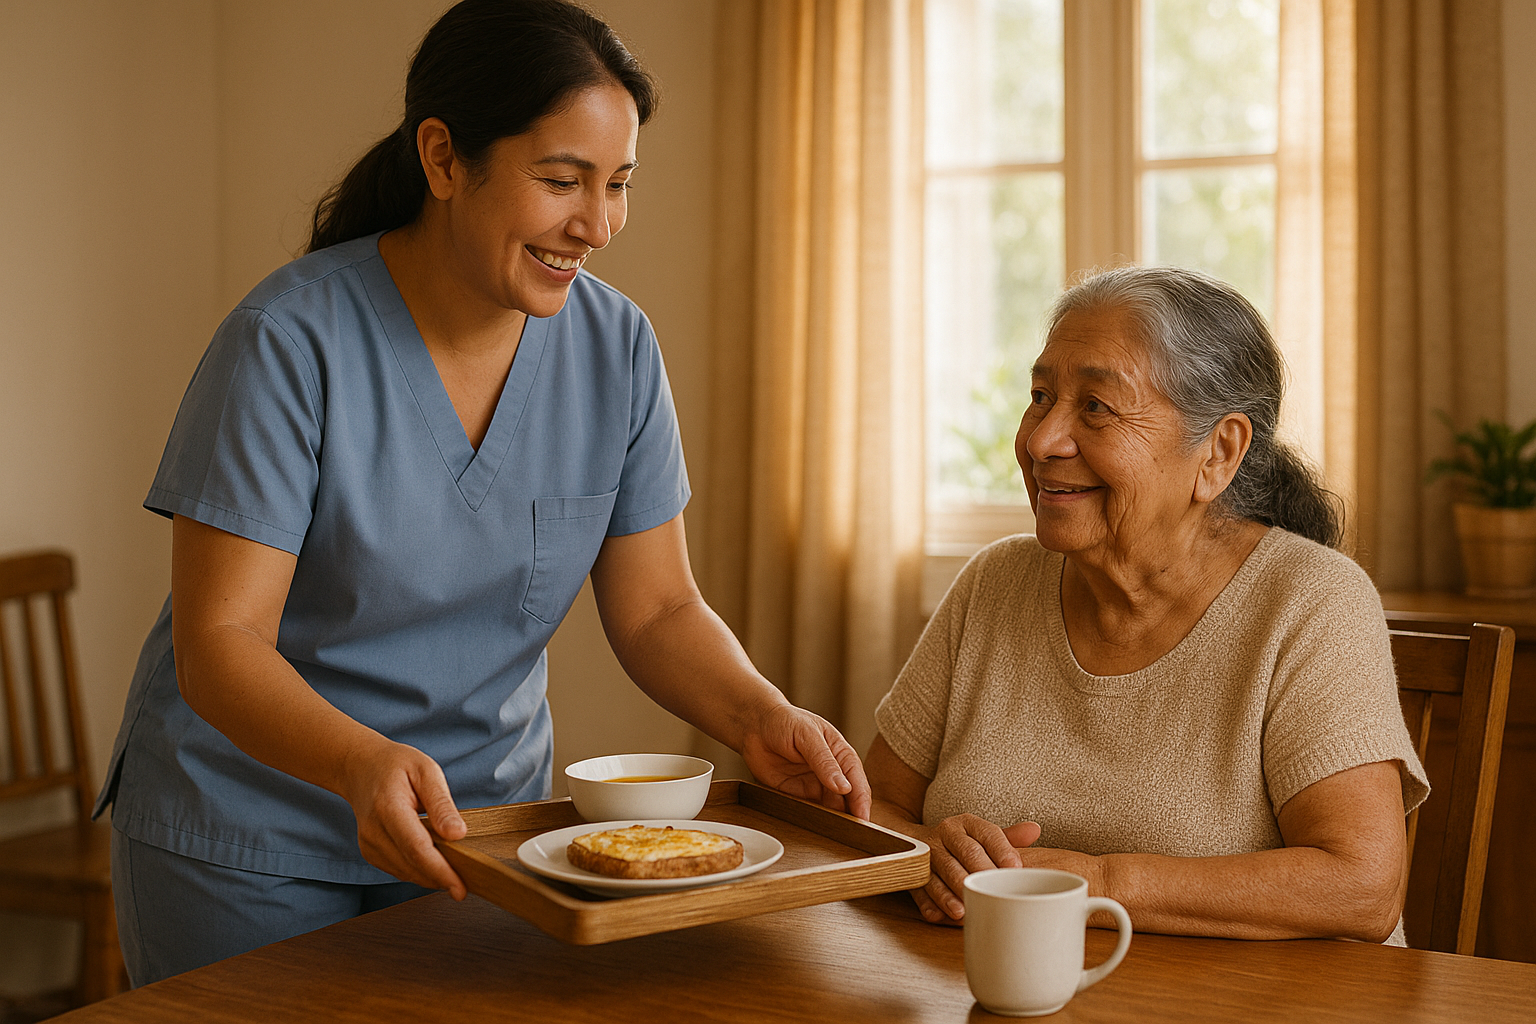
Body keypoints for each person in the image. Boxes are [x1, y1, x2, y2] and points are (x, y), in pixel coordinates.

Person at [94, 0, 869, 986]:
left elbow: (659, 606)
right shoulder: (288, 342)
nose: (597, 223)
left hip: (479, 838)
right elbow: (221, 643)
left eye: (618, 184)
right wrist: (355, 763)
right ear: (444, 158)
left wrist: (760, 715)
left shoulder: (616, 349)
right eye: (562, 180)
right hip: (247, 839)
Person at [867, 265, 1428, 944]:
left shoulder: (1310, 602)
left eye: (1096, 407)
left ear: (1219, 452)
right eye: (1040, 396)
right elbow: (875, 810)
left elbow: (1361, 887)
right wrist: (929, 853)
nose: (1043, 440)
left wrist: (1095, 887)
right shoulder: (994, 583)